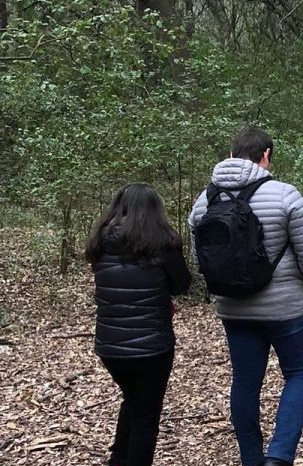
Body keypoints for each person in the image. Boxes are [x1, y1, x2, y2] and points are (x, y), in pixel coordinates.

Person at [188, 127, 303, 466]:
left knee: (246, 382)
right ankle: (278, 456)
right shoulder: (285, 195)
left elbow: (199, 257)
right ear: (266, 155)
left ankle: (251, 458)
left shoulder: (205, 200)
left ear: (232, 154)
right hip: (286, 308)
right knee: (300, 373)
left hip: (234, 309)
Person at [86, 183, 191, 466]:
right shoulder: (163, 244)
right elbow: (182, 285)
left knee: (133, 402)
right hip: (152, 347)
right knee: (146, 415)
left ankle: (118, 460)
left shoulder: (101, 242)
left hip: (110, 347)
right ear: (156, 210)